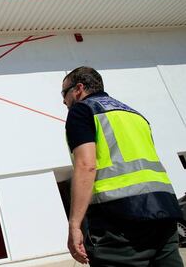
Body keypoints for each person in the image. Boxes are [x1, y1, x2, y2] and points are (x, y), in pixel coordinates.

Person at [61, 66, 183, 266]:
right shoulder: (135, 114)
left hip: (118, 223)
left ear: (79, 88)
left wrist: (74, 225)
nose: (63, 101)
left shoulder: (82, 111)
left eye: (64, 93)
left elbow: (86, 165)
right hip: (164, 211)